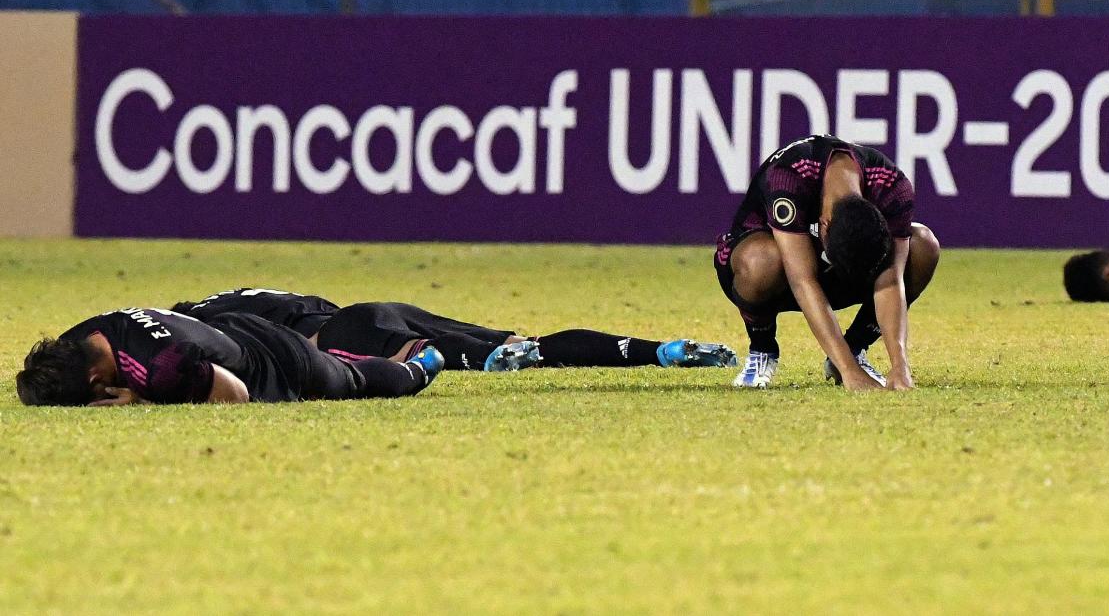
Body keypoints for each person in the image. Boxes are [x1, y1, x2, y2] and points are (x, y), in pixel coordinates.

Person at [714, 135, 939, 390]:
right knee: (762, 261)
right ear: (824, 224)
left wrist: (900, 366)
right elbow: (803, 281)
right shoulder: (789, 176)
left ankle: (854, 347)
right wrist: (850, 372)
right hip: (770, 274)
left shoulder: (891, 186)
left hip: (831, 279)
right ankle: (762, 350)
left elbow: (891, 279)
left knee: (923, 245)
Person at [170, 288, 737, 373]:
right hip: (382, 309)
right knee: (527, 347)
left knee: (503, 363)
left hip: (351, 333)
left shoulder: (210, 321)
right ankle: (658, 350)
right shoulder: (255, 292)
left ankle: (660, 352)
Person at [16, 306, 443, 407]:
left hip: (274, 358)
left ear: (95, 384)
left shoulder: (159, 370)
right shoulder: (81, 337)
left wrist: (143, 402)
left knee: (351, 382)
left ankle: (418, 367)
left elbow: (236, 395)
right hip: (226, 327)